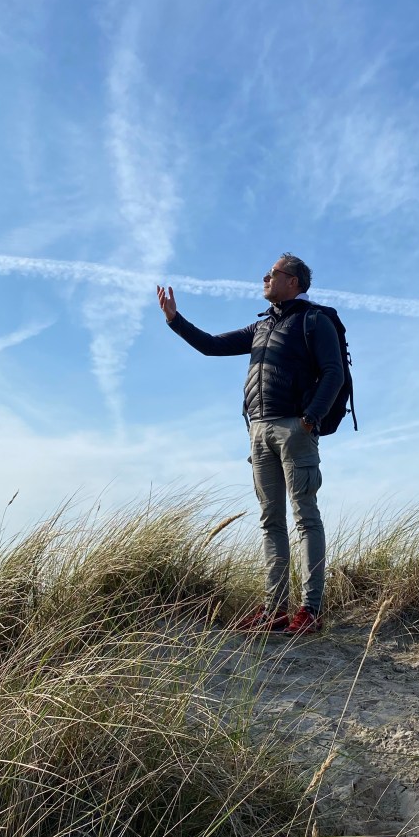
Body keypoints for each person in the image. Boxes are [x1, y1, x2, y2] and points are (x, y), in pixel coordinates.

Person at [157, 254, 344, 636]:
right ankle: (275, 611)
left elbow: (334, 373)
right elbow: (211, 345)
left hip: (295, 429)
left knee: (305, 518)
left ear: (293, 281)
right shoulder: (261, 327)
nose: (264, 277)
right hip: (258, 432)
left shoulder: (314, 320)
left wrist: (309, 420)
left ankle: (309, 611)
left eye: (272, 273)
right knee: (270, 521)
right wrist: (175, 320)